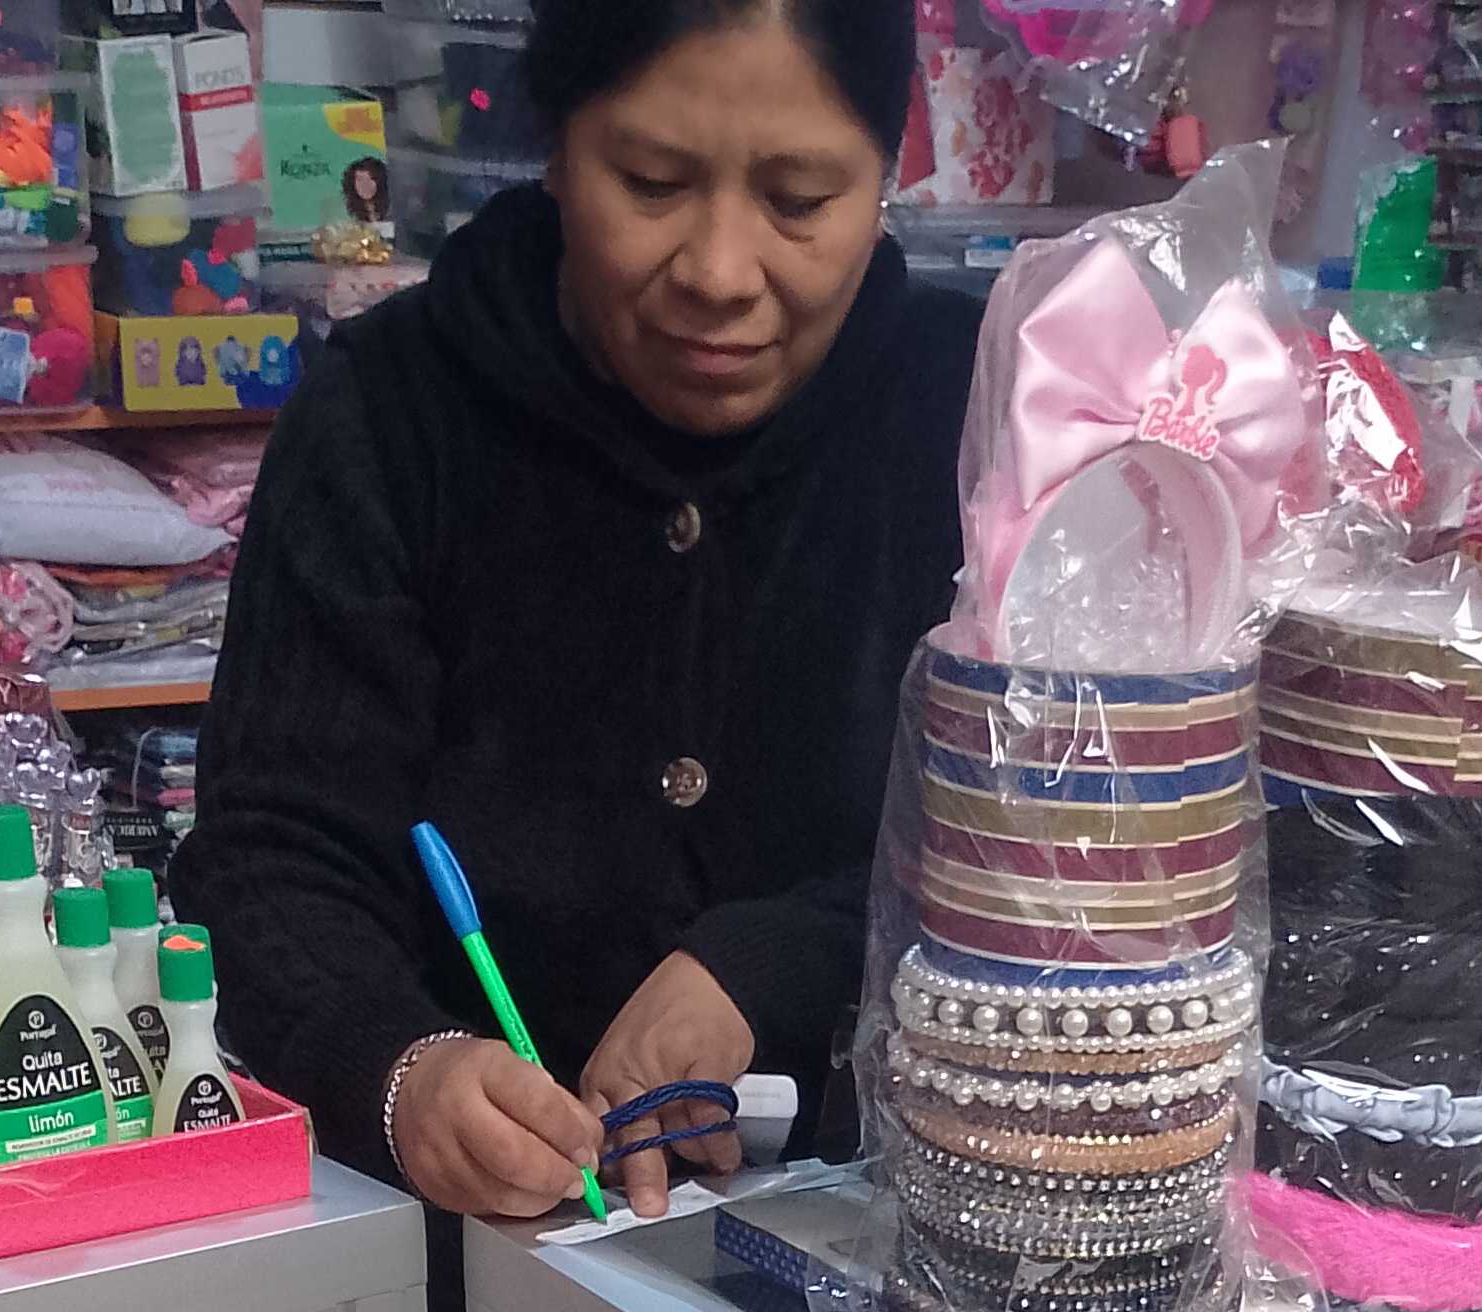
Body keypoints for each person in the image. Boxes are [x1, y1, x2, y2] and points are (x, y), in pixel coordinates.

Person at [175, 0, 978, 1228]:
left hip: (903, 1253)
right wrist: (400, 1070)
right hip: (469, 1270)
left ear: (889, 169)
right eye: (651, 184)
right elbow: (270, 854)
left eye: (800, 200)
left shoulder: (980, 410)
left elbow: (1065, 851)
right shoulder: (393, 410)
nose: (719, 273)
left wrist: (777, 964)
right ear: (555, 149)